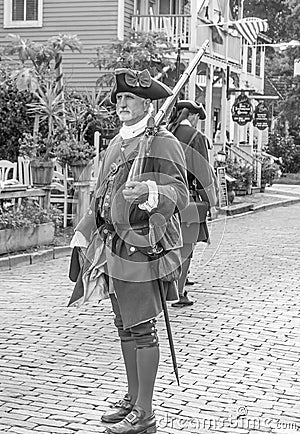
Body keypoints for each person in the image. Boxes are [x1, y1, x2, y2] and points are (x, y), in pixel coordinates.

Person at [69, 68, 189, 434]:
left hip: (141, 245)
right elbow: (102, 194)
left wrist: (151, 192)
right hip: (113, 246)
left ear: (147, 104)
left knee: (142, 329)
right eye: (118, 99)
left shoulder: (161, 142)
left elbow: (181, 193)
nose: (122, 104)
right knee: (124, 327)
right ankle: (133, 398)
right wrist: (84, 230)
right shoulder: (117, 143)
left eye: (130, 99)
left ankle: (146, 413)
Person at [168, 100, 217, 307]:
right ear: (193, 116)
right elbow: (202, 172)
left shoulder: (165, 134)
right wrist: (211, 202)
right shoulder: (195, 137)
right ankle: (178, 292)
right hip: (186, 198)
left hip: (160, 197)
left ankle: (166, 286)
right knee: (186, 244)